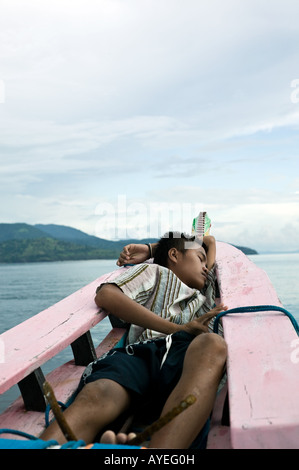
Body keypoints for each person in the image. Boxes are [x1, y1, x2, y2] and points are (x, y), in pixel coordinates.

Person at [40, 232, 227, 448]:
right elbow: (106, 295)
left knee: (212, 344)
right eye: (199, 258)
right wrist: (177, 329)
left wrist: (154, 248)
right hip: (143, 353)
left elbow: (209, 240)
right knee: (101, 392)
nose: (206, 266)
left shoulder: (204, 293)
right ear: (174, 255)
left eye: (207, 261)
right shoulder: (156, 272)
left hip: (187, 357)